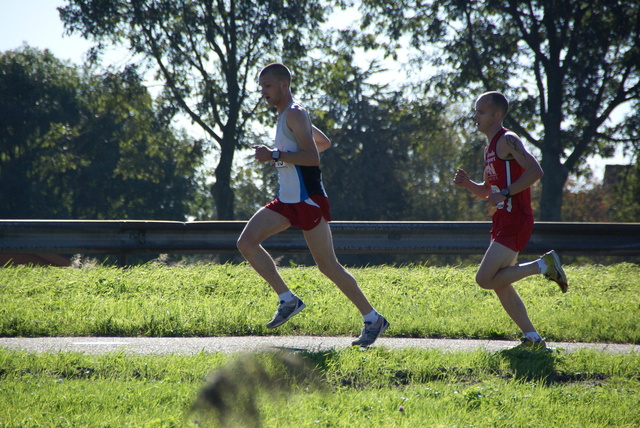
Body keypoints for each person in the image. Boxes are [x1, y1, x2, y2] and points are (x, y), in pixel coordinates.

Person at [237, 63, 388, 347]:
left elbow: (313, 157)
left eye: (267, 85)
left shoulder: (294, 112)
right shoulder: (290, 114)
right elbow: (324, 142)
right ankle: (287, 299)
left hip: (307, 199)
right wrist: (283, 152)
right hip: (287, 200)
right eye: (261, 86)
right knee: (246, 242)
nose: (263, 91)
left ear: (284, 84)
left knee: (328, 265)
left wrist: (274, 155)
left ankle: (373, 318)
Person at [453, 91, 568, 348]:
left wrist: (505, 193)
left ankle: (543, 265)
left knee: (484, 279)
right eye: (476, 111)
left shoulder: (507, 139)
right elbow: (488, 192)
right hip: (502, 222)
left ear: (496, 114)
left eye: (481, 112)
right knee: (500, 283)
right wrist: (468, 184)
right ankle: (533, 337)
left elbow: (535, 171)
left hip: (516, 219)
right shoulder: (490, 148)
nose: (475, 117)